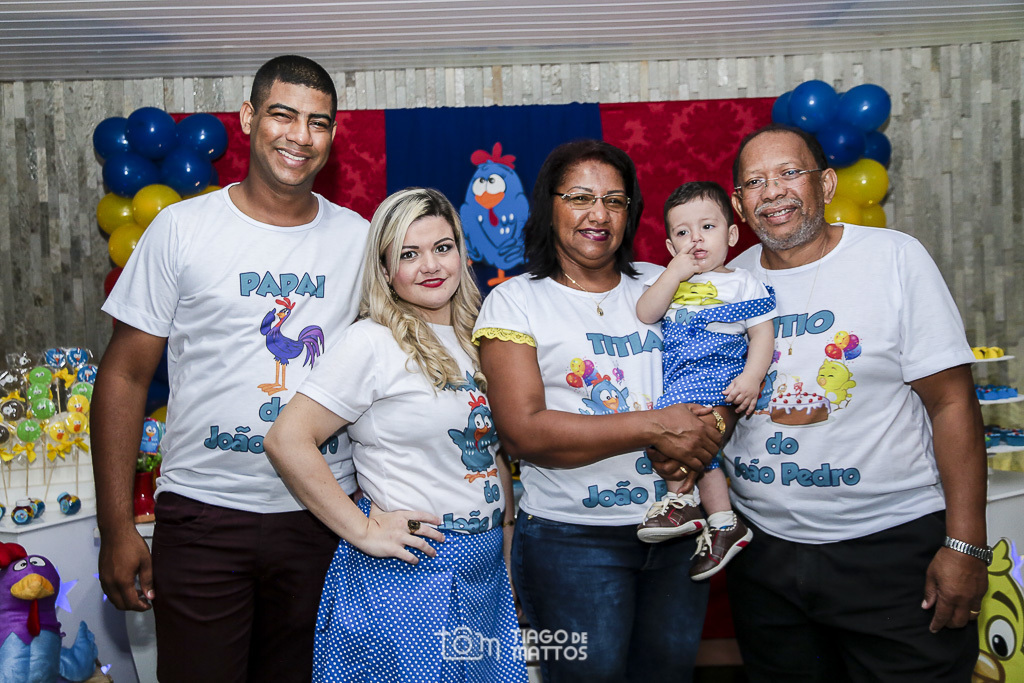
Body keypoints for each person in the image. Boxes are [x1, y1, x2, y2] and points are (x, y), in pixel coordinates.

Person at [92, 55, 370, 682]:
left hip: (323, 518)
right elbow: (125, 376)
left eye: (318, 122)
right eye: (282, 115)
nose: (300, 136)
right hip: (204, 515)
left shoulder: (358, 240)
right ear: (248, 117)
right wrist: (116, 525)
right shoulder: (181, 229)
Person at [708, 122, 986, 680]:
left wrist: (966, 546)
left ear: (827, 184)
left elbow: (952, 403)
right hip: (764, 556)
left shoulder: (894, 259)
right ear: (739, 205)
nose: (773, 191)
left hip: (891, 550)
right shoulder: (724, 284)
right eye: (755, 182)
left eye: (790, 173)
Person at [474, 139, 724, 683]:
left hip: (679, 529)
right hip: (571, 541)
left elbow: (721, 371)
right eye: (580, 197)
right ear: (548, 205)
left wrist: (710, 432)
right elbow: (523, 433)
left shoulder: (666, 282)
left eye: (615, 200)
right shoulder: (515, 301)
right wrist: (657, 427)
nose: (599, 214)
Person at [264, 188, 527, 683]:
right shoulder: (371, 342)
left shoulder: (480, 336)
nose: (430, 265)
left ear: (462, 252)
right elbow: (286, 439)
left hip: (484, 572)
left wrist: (507, 548)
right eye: (409, 254)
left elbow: (488, 452)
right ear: (385, 270)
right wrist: (363, 530)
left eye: (442, 247)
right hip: (408, 575)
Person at [634, 181, 775, 582]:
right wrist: (673, 274)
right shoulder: (670, 281)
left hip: (718, 372)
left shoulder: (742, 282)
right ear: (669, 245)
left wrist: (752, 377)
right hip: (679, 376)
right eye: (683, 232)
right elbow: (646, 313)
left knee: (680, 435)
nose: (695, 238)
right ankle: (723, 521)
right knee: (700, 450)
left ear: (731, 236)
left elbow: (762, 334)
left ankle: (680, 501)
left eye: (707, 227)